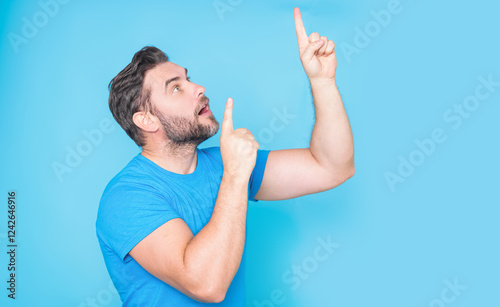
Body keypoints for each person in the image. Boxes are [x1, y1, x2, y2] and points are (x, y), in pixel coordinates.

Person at [95, 7, 354, 306]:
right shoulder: (126, 197)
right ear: (148, 121)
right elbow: (206, 284)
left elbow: (332, 167)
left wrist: (323, 82)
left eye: (188, 79)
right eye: (176, 88)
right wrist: (234, 176)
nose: (198, 88)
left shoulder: (224, 163)